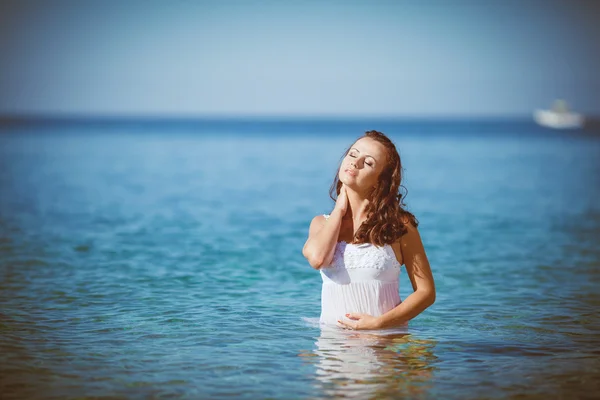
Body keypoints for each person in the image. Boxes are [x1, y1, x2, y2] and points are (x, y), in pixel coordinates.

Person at [302, 130, 436, 330]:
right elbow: (318, 260)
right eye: (353, 154)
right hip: (332, 349)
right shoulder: (321, 223)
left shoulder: (400, 226)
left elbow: (426, 292)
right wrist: (339, 210)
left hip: (383, 347)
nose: (355, 163)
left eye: (368, 162)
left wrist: (378, 323)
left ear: (381, 181)